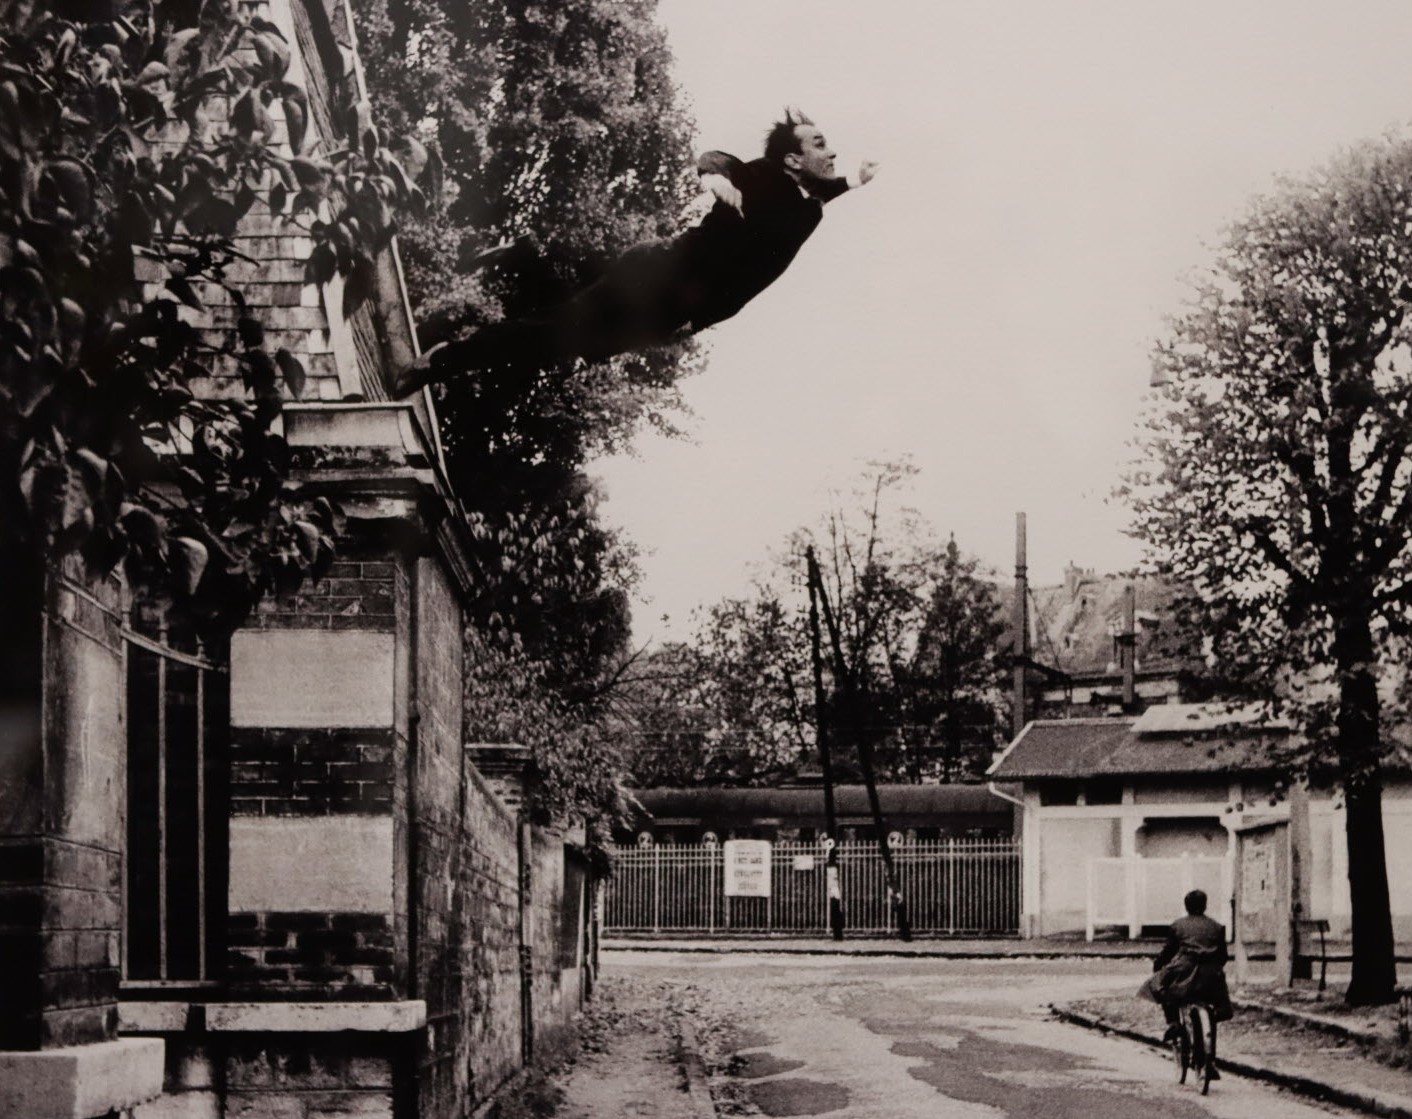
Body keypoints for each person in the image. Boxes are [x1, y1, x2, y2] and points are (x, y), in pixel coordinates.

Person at [391, 109, 878, 398]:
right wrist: (713, 179)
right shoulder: (766, 178)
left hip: (672, 310)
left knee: (568, 344)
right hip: (656, 273)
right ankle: (439, 361)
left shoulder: (807, 211)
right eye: (821, 144)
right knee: (553, 334)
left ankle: (525, 260)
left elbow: (773, 257)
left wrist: (855, 180)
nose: (831, 151)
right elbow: (719, 160)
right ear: (793, 160)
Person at [1138, 888, 1233, 1068]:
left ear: (1186, 906)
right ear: (1205, 906)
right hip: (1210, 976)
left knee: (1161, 985)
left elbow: (1168, 953)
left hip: (1185, 972)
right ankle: (1209, 1060)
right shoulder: (1217, 926)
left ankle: (1173, 1023)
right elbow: (1223, 957)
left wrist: (1158, 966)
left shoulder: (1177, 925)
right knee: (1212, 1012)